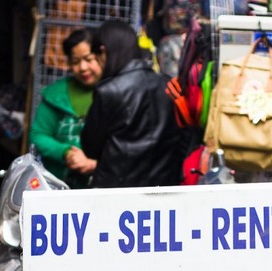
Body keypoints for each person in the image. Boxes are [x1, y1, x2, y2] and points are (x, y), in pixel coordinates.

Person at [81, 20, 184, 188]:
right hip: (164, 187)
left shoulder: (108, 91)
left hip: (117, 190)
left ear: (103, 51)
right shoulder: (168, 86)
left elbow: (91, 148)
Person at [30, 29, 102, 188]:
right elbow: (38, 134)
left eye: (88, 59)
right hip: (58, 183)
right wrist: (65, 152)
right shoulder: (55, 94)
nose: (83, 67)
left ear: (101, 56)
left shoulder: (114, 92)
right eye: (75, 62)